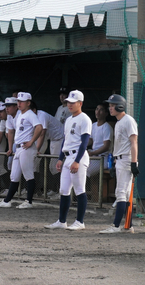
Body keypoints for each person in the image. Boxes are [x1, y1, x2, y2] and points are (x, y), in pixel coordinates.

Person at [44, 90, 92, 230]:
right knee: (64, 190)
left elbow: (84, 142)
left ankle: (80, 222)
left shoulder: (84, 119)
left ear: (80, 103)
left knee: (79, 189)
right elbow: (66, 140)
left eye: (72, 103)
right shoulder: (69, 119)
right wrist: (60, 158)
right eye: (68, 103)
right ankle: (62, 221)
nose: (69, 105)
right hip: (68, 155)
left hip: (79, 156)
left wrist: (77, 161)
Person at [0, 92, 43, 209]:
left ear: (28, 103)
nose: (19, 103)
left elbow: (39, 127)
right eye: (18, 101)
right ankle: (7, 200)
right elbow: (11, 131)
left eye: (21, 102)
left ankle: (29, 201)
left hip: (27, 148)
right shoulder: (20, 114)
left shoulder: (30, 114)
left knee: (28, 174)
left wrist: (31, 141)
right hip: (19, 148)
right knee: (14, 176)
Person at [99, 94, 139, 234]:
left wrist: (134, 163)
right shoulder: (118, 122)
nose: (110, 108)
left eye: (112, 105)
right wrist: (115, 163)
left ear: (120, 106)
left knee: (121, 193)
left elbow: (134, 142)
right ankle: (128, 226)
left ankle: (116, 226)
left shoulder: (128, 121)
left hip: (127, 159)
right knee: (125, 194)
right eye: (109, 105)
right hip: (121, 159)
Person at [30, 101, 65, 182]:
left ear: (34, 110)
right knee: (35, 164)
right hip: (51, 140)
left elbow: (42, 134)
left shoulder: (41, 115)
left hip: (60, 139)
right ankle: (39, 191)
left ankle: (59, 191)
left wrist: (36, 150)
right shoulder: (30, 118)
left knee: (54, 166)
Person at [86, 101, 114, 178]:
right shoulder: (93, 125)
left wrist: (93, 153)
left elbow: (106, 147)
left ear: (106, 113)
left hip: (103, 159)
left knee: (85, 170)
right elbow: (91, 140)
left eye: (101, 110)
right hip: (93, 156)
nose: (98, 112)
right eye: (97, 109)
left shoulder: (107, 127)